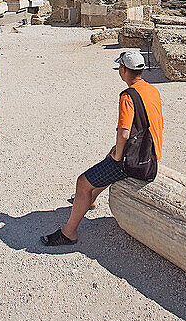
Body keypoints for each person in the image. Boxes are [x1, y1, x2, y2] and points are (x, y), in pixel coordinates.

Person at [41, 50, 163, 246]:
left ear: (123, 70)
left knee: (83, 181)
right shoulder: (151, 90)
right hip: (152, 152)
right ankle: (90, 199)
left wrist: (117, 156)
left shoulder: (128, 96)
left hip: (137, 163)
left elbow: (124, 133)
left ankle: (68, 232)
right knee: (110, 157)